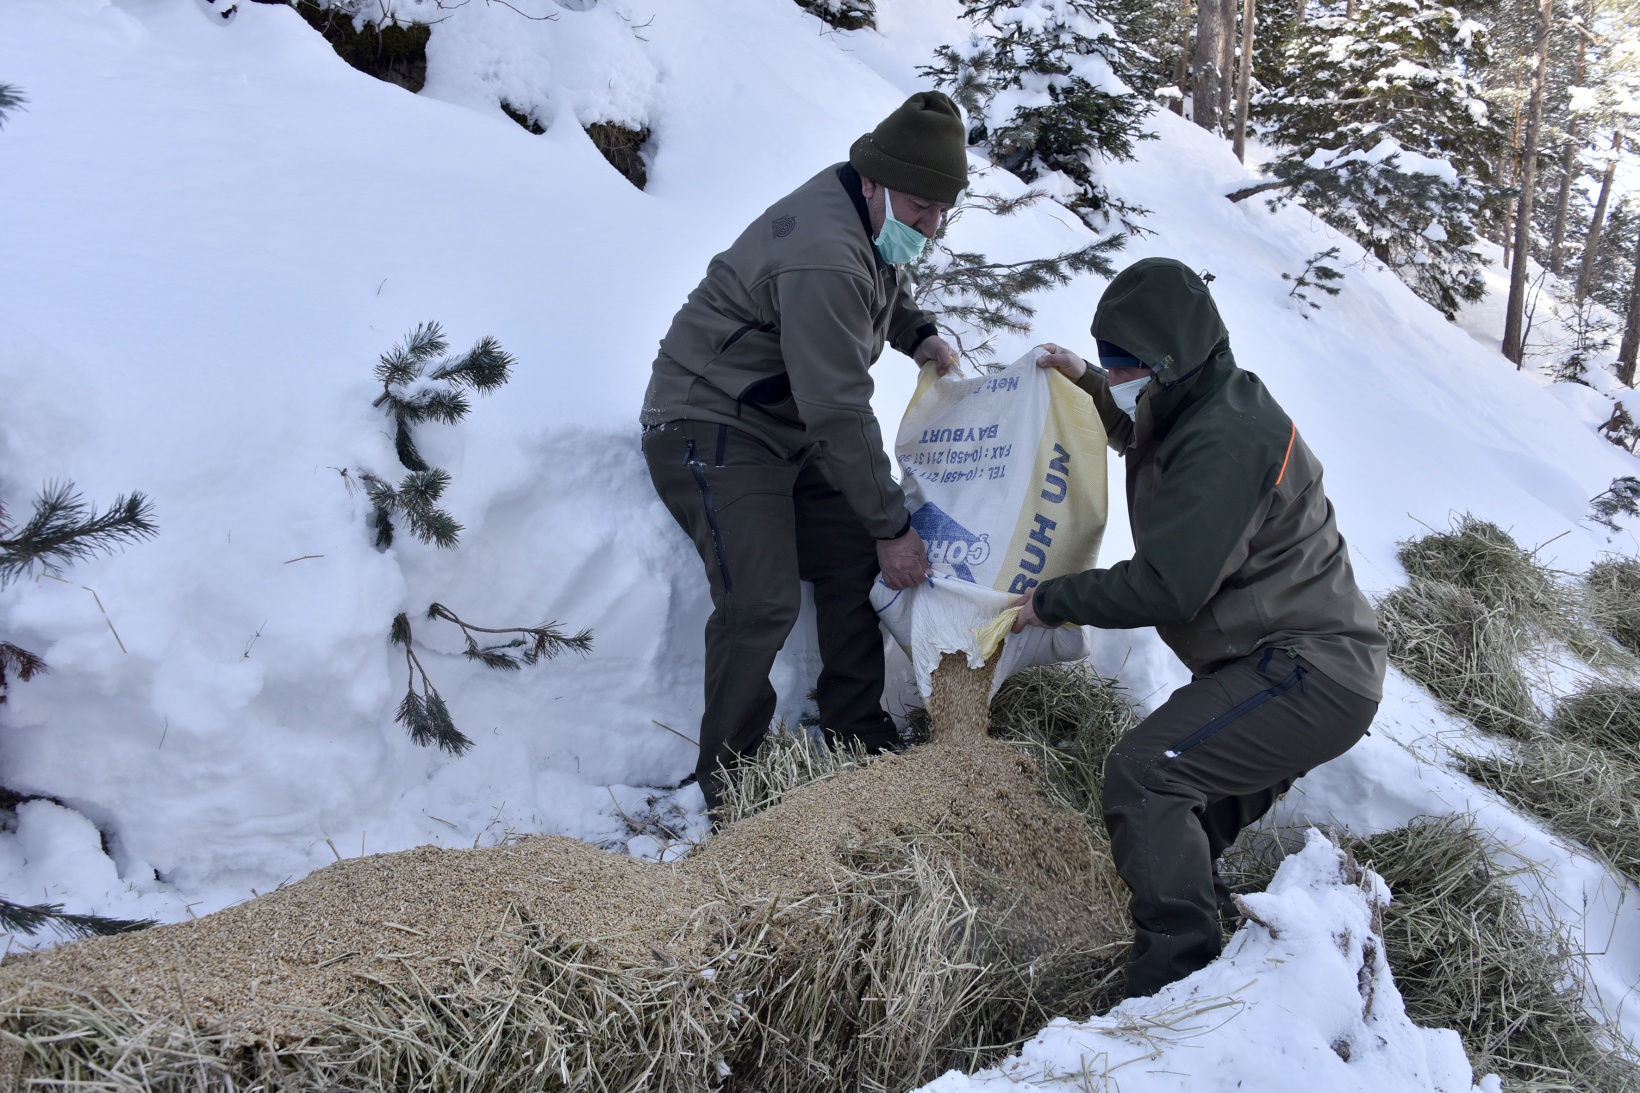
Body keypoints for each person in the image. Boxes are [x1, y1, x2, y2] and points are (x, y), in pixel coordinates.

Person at [1012, 257, 1387, 999]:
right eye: (1112, 361)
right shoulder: (1200, 398)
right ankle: (1217, 966)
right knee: (1185, 824)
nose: (1119, 377)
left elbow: (1169, 585)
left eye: (1126, 365)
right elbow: (1141, 428)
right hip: (1285, 662)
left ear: (1167, 361)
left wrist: (1052, 599)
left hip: (1310, 670)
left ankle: (1171, 989)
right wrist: (1089, 378)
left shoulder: (1228, 437)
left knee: (1149, 774)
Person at [641, 91, 969, 813]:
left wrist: (917, 332)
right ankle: (733, 781)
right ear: (878, 181)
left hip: (777, 420)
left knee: (853, 550)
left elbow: (879, 287)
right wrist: (893, 525)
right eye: (921, 207)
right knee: (761, 596)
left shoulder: (865, 206)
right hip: (708, 418)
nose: (931, 225)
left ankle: (857, 734)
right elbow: (839, 408)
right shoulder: (827, 250)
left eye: (943, 210)